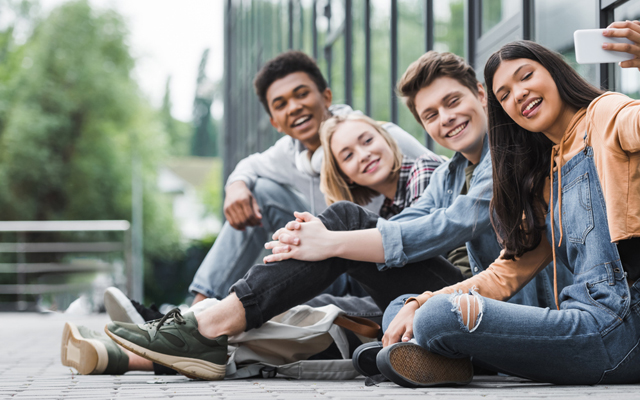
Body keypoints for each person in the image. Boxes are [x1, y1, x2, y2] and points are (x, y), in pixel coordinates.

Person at [102, 51, 557, 381]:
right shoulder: (456, 169)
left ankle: (200, 325)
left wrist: (333, 240)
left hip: (516, 316)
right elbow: (399, 224)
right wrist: (317, 237)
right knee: (332, 243)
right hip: (469, 304)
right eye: (432, 114)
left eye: (454, 102)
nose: (447, 119)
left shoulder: (504, 154)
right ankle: (194, 327)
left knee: (333, 266)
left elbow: (448, 226)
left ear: (480, 93)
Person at [373, 21, 640, 388]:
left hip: (627, 327)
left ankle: (432, 353)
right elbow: (503, 275)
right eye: (504, 94)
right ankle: (427, 354)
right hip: (581, 322)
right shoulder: (544, 176)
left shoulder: (604, 115)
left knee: (438, 317)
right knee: (409, 306)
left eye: (526, 77)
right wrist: (420, 300)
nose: (518, 94)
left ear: (553, 72)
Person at [61, 113, 448, 377]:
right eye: (348, 154)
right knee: (305, 311)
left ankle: (200, 321)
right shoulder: (385, 199)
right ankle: (131, 354)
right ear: (340, 170)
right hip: (407, 298)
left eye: (368, 140)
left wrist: (325, 241)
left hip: (450, 293)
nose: (363, 154)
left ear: (390, 137)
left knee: (341, 223)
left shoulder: (424, 172)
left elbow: (411, 244)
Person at [188, 50, 430, 305]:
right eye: (281, 104)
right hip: (335, 270)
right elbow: (249, 165)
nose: (294, 107)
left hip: (390, 268)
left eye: (302, 94)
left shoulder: (381, 140)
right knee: (260, 190)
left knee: (345, 218)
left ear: (326, 96)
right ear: (275, 123)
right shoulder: (287, 155)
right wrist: (236, 186)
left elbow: (445, 179)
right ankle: (197, 311)